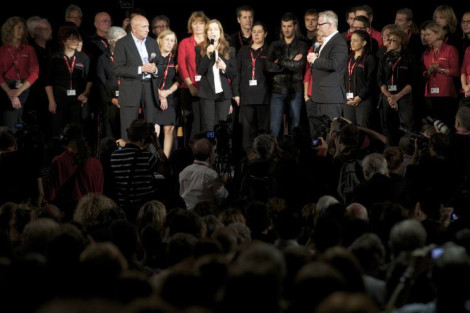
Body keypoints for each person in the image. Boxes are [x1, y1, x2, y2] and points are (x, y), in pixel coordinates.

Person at [113, 14, 163, 140]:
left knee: (150, 127)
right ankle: (128, 155)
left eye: (148, 26)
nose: (148, 29)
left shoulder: (152, 42)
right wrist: (141, 69)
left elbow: (160, 63)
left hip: (149, 89)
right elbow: (118, 69)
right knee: (128, 127)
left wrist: (155, 69)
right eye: (144, 27)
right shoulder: (122, 43)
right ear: (134, 28)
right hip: (130, 89)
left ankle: (151, 156)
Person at [111, 119, 163, 222]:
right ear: (143, 140)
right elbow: (168, 170)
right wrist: (157, 146)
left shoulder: (114, 156)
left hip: (122, 209)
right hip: (144, 211)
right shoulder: (147, 157)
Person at [48, 123, 103, 221]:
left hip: (69, 217)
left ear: (64, 140)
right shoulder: (96, 163)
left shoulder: (59, 162)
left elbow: (53, 194)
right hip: (93, 216)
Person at [307, 10, 348, 138]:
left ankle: (333, 157)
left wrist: (316, 60)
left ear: (329, 25)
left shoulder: (339, 42)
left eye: (320, 24)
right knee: (321, 133)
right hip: (320, 96)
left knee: (333, 134)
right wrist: (318, 57)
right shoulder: (327, 41)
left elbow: (334, 64)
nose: (317, 27)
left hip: (330, 98)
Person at [45, 25, 92, 136]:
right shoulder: (55, 58)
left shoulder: (83, 58)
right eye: (71, 39)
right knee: (58, 129)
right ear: (63, 41)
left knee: (76, 129)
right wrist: (51, 101)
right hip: (59, 97)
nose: (75, 41)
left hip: (77, 98)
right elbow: (48, 82)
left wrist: (86, 93)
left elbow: (89, 79)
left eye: (76, 38)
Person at [267, 12, 307, 138]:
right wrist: (291, 62)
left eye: (289, 26)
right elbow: (269, 67)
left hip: (296, 90)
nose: (286, 29)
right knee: (274, 128)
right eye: (284, 26)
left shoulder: (302, 45)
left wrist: (279, 61)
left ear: (295, 26)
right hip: (277, 90)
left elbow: (298, 66)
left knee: (295, 127)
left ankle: (293, 155)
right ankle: (273, 154)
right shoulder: (275, 45)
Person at [233, 21, 270, 152]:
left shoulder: (269, 50)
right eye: (254, 32)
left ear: (265, 34)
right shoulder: (243, 51)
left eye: (259, 32)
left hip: (264, 96)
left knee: (263, 130)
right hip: (246, 97)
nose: (256, 34)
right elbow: (236, 73)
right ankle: (249, 158)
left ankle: (264, 156)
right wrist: (236, 93)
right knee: (247, 131)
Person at [377, 29, 417, 146]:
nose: (389, 43)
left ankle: (406, 153)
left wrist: (397, 96)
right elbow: (379, 79)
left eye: (392, 41)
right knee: (388, 127)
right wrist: (390, 96)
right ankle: (390, 153)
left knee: (406, 127)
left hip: (404, 96)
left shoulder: (409, 57)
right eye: (388, 40)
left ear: (400, 42)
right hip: (388, 96)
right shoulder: (384, 57)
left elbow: (414, 81)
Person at [196, 19, 236, 132]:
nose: (212, 32)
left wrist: (225, 68)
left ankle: (222, 149)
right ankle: (210, 149)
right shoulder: (200, 49)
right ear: (206, 33)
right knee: (209, 129)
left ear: (220, 32)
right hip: (207, 93)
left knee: (222, 127)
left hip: (223, 95)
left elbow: (234, 74)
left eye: (215, 29)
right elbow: (199, 71)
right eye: (210, 30)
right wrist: (207, 55)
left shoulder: (229, 50)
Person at [0, 16, 39, 132]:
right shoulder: (2, 50)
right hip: (6, 89)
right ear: (10, 30)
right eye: (18, 28)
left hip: (24, 88)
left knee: (21, 123)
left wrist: (17, 92)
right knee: (10, 123)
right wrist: (10, 93)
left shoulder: (29, 49)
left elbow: (35, 73)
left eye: (23, 28)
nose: (21, 31)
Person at [178, 11, 209, 145]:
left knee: (205, 122)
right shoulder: (185, 42)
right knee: (189, 122)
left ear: (206, 25)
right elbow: (182, 65)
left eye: (201, 23)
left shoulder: (210, 43)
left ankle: (206, 149)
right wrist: (190, 85)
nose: (198, 26)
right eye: (194, 23)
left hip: (207, 88)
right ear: (191, 25)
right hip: (188, 88)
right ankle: (189, 151)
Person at [422, 21, 459, 128]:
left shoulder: (450, 49)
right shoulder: (427, 53)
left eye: (429, 34)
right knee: (434, 124)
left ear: (438, 34)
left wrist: (440, 69)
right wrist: (429, 71)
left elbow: (456, 72)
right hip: (431, 93)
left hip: (446, 93)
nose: (426, 37)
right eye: (425, 35)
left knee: (446, 123)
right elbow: (424, 74)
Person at [179, 137, 229, 210]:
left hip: (187, 214)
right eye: (214, 152)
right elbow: (223, 197)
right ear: (210, 155)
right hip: (206, 216)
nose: (216, 155)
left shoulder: (184, 172)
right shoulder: (211, 175)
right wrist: (223, 182)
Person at [96, 26, 127, 139]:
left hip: (127, 101)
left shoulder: (129, 57)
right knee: (111, 136)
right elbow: (101, 83)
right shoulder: (103, 59)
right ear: (110, 41)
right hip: (111, 102)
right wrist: (113, 100)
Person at [343, 30, 377, 128]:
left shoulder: (369, 59)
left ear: (364, 43)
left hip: (363, 100)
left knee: (362, 130)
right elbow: (343, 79)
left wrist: (359, 97)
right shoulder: (348, 59)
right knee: (349, 129)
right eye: (351, 40)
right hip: (348, 99)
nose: (352, 43)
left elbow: (371, 82)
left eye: (355, 40)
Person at [155, 30, 179, 158]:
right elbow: (147, 78)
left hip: (169, 97)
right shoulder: (153, 56)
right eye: (167, 40)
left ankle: (165, 160)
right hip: (153, 96)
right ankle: (156, 159)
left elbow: (178, 81)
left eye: (172, 40)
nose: (170, 43)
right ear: (160, 40)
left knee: (169, 130)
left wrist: (167, 93)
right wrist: (160, 94)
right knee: (155, 131)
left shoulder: (175, 60)